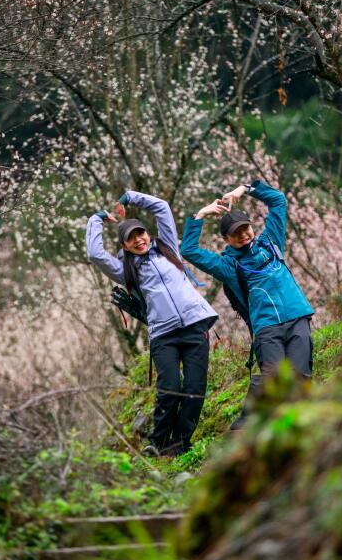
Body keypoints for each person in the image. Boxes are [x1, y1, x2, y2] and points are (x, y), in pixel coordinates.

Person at [86, 190, 217, 456]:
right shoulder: (126, 270)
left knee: (194, 388)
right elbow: (95, 254)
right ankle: (158, 443)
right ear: (124, 246)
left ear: (148, 234)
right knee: (169, 387)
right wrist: (98, 219)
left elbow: (161, 207)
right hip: (163, 335)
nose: (138, 240)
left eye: (141, 234)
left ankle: (180, 442)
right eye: (131, 239)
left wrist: (128, 198)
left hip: (195, 325)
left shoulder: (168, 248)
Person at [180, 180, 314, 429]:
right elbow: (188, 250)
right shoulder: (227, 266)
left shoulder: (271, 242)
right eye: (236, 233)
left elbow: (278, 201)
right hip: (267, 329)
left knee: (301, 378)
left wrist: (246, 188)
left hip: (298, 317)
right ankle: (241, 432)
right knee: (271, 381)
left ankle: (299, 432)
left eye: (246, 229)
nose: (243, 235)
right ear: (226, 239)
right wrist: (200, 215)